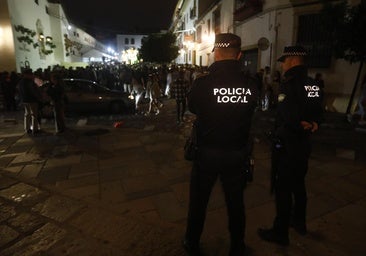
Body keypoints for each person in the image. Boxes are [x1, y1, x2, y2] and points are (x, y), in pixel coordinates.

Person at [184, 33, 258, 256]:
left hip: (206, 153)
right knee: (236, 204)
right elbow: (253, 108)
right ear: (239, 55)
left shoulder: (202, 83)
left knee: (198, 202)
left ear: (215, 53)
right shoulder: (251, 84)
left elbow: (194, 108)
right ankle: (237, 246)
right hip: (236, 154)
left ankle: (192, 243)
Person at [258, 46, 323, 246]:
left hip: (287, 146)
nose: (283, 64)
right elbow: (320, 111)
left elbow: (287, 116)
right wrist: (313, 124)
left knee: (283, 189)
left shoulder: (289, 85)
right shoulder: (313, 84)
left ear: (293, 60)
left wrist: (298, 125)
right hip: (304, 146)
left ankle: (280, 232)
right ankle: (299, 223)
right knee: (299, 185)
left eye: (284, 60)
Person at [18, 68, 43, 135]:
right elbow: (33, 92)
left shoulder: (21, 82)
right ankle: (35, 129)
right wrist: (39, 98)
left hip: (24, 100)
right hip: (32, 100)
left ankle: (27, 129)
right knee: (34, 115)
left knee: (27, 114)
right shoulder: (30, 82)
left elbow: (19, 91)